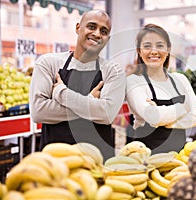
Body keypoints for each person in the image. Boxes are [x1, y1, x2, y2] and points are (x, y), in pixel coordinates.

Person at [29, 9, 126, 159]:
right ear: (77, 28)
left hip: (97, 159)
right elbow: (39, 112)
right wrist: (90, 102)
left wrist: (62, 94)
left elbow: (107, 115)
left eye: (104, 31)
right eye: (92, 27)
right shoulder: (49, 63)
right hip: (55, 159)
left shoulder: (113, 71)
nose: (97, 34)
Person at [125, 24, 196, 154]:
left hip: (178, 159)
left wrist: (167, 122)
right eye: (147, 46)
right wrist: (183, 107)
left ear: (168, 50)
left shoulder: (180, 79)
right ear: (139, 51)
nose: (154, 51)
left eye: (160, 45)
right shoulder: (134, 81)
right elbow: (154, 117)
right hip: (146, 160)